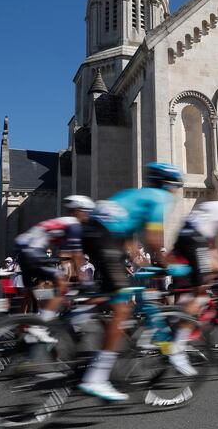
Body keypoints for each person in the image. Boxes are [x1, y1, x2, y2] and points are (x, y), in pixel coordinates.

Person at [78, 162, 182, 401]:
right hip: (104, 238)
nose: (176, 191)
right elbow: (154, 240)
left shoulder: (135, 195)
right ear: (168, 185)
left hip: (93, 233)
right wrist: (167, 265)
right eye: (176, 186)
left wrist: (140, 261)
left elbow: (126, 236)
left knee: (114, 298)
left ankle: (78, 317)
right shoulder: (159, 198)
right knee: (123, 308)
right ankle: (97, 378)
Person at [167, 184, 218, 371]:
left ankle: (186, 312)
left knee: (210, 275)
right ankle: (177, 348)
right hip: (194, 239)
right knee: (201, 294)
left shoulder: (216, 208)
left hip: (184, 236)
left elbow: (211, 246)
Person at [14, 195, 95, 322]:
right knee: (61, 281)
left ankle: (25, 328)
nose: (87, 216)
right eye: (86, 212)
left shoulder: (63, 222)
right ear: (78, 211)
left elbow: (64, 253)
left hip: (23, 252)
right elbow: (77, 254)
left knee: (37, 293)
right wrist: (85, 281)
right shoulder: (74, 225)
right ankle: (45, 323)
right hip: (33, 252)